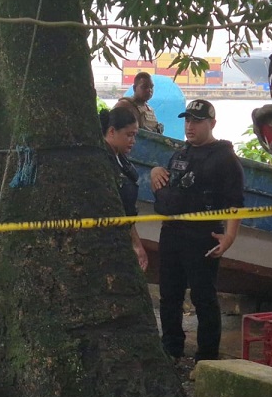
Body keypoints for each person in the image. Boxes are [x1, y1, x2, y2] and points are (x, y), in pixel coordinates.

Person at [150, 99, 244, 363]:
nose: (189, 126)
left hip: (202, 235)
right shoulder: (181, 153)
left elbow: (236, 202)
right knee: (169, 295)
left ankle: (207, 357)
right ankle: (171, 349)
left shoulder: (224, 157)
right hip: (172, 232)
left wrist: (230, 237)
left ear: (212, 124)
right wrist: (155, 171)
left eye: (196, 121)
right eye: (187, 120)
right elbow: (168, 180)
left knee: (204, 298)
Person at [100, 107, 148, 270]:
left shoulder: (121, 159)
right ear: (112, 131)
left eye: (134, 135)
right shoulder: (103, 162)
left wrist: (137, 243)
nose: (133, 141)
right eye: (129, 135)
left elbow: (127, 212)